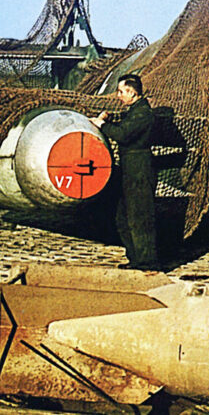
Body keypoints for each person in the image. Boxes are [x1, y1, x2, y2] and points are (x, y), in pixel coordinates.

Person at [90, 74, 160, 270]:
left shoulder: (143, 113)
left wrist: (102, 124)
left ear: (132, 92)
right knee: (124, 217)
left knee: (140, 217)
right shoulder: (134, 111)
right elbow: (126, 126)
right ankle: (136, 258)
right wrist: (110, 119)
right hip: (130, 169)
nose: (119, 95)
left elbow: (124, 134)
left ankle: (147, 263)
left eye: (121, 92)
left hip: (139, 169)